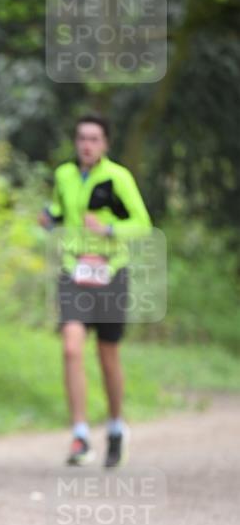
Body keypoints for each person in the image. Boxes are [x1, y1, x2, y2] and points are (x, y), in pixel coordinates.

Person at [39, 115, 151, 467]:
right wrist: (49, 217)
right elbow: (60, 211)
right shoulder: (64, 176)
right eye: (82, 138)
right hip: (74, 271)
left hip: (110, 273)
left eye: (94, 139)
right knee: (72, 348)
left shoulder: (118, 178)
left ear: (105, 144)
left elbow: (142, 225)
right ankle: (81, 435)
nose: (87, 145)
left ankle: (116, 426)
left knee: (107, 356)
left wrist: (107, 229)